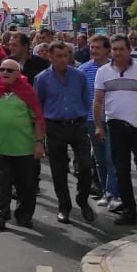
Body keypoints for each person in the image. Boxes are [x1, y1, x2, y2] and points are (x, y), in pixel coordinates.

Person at [93, 34, 137, 229]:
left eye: (121, 49)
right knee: (121, 171)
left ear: (129, 50)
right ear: (110, 51)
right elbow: (98, 101)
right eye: (114, 50)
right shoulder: (103, 72)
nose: (117, 53)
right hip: (116, 127)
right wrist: (99, 125)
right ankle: (129, 211)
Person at [0, 58, 46, 230]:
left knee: (26, 185)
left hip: (24, 148)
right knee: (2, 182)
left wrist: (39, 143)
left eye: (10, 70)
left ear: (18, 74)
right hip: (0, 147)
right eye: (2, 70)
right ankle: (0, 214)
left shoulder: (27, 91)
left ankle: (24, 216)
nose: (5, 73)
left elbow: (37, 119)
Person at [34, 41, 95, 223]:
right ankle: (64, 206)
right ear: (51, 57)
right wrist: (40, 136)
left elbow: (86, 99)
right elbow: (38, 106)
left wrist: (82, 117)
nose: (62, 60)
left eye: (66, 56)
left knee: (85, 166)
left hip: (77, 125)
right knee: (58, 170)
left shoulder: (79, 76)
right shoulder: (42, 78)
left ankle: (82, 200)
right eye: (58, 56)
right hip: (55, 126)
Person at [79, 34, 117, 206]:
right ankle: (104, 191)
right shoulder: (83, 70)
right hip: (91, 120)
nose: (93, 51)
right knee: (100, 159)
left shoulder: (114, 69)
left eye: (97, 48)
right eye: (91, 47)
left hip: (113, 119)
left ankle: (113, 194)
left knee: (112, 158)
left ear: (107, 50)